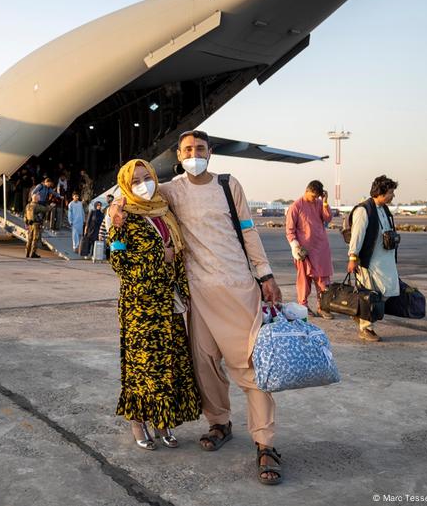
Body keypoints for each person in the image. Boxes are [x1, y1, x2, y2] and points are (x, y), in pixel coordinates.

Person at [110, 130, 284, 485]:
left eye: (200, 149)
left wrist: (265, 274)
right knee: (204, 365)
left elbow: (249, 232)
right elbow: (131, 188)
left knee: (250, 368)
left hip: (237, 288)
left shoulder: (227, 185)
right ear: (178, 154)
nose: (194, 154)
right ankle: (219, 422)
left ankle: (265, 444)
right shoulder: (173, 190)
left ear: (210, 153)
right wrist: (115, 207)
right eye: (188, 149)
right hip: (198, 296)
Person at [108, 159, 201, 450]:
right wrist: (162, 259)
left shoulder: (163, 211)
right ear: (125, 184)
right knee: (142, 366)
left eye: (146, 177)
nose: (142, 184)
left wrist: (181, 285)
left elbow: (179, 254)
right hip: (141, 306)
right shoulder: (122, 217)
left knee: (168, 365)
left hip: (169, 304)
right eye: (135, 181)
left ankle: (163, 421)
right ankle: (138, 421)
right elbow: (119, 263)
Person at [347, 175, 401, 343]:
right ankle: (366, 327)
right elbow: (357, 235)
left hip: (385, 260)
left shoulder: (383, 209)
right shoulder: (364, 210)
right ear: (381, 192)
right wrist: (353, 257)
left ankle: (360, 315)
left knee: (389, 290)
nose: (393, 195)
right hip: (371, 261)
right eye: (391, 192)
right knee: (370, 295)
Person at [285, 180, 335, 319]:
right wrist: (295, 246)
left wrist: (325, 202)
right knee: (304, 280)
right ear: (307, 191)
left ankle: (323, 307)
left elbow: (328, 218)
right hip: (304, 251)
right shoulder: (296, 206)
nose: (314, 199)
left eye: (317, 197)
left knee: (323, 281)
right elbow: (289, 231)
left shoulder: (319, 203)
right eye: (313, 196)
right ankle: (303, 306)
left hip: (321, 248)